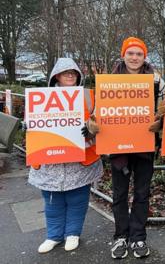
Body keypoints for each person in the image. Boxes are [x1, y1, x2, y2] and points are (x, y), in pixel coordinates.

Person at [28, 58, 103, 253]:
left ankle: (73, 234)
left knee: (78, 199)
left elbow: (101, 123)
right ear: (56, 76)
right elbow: (32, 120)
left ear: (78, 75)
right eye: (65, 72)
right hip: (50, 161)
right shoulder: (40, 97)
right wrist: (28, 125)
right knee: (52, 200)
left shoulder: (88, 97)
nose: (70, 75)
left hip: (80, 161)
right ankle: (53, 236)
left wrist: (92, 130)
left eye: (73, 72)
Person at [108, 37, 165, 259]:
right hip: (118, 147)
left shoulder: (156, 81)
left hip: (145, 145)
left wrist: (160, 119)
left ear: (145, 57)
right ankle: (120, 237)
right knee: (119, 194)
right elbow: (101, 111)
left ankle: (138, 237)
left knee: (142, 193)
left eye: (139, 54)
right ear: (123, 55)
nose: (134, 58)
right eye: (131, 53)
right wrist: (93, 124)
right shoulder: (111, 80)